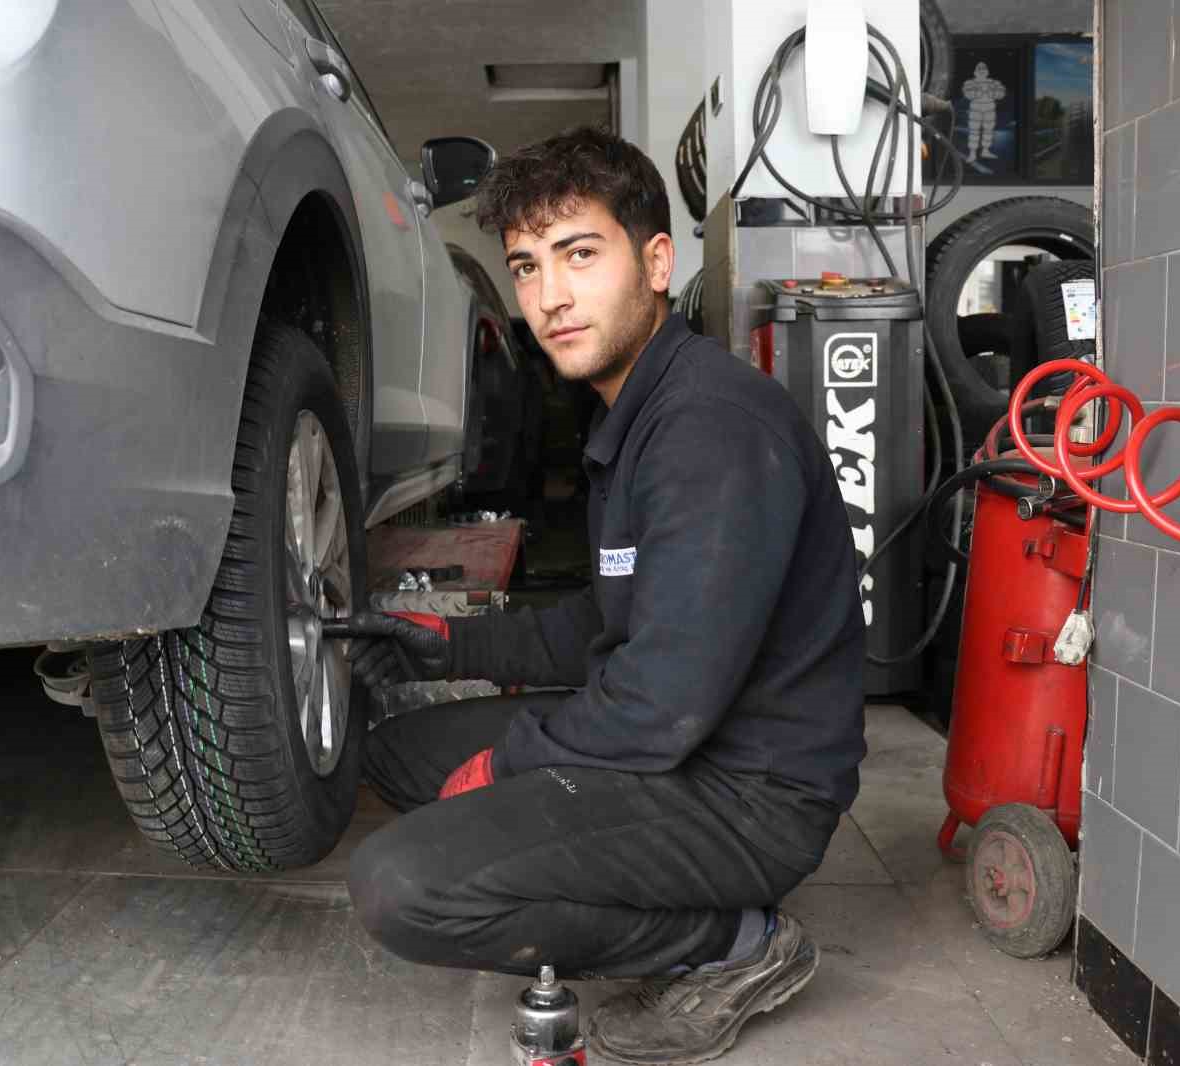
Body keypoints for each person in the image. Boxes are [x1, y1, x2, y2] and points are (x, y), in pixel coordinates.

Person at [341, 126, 867, 1065]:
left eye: (581, 254)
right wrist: (451, 648)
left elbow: (661, 705)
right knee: (403, 755)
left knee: (400, 885)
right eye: (527, 266)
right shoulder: (635, 417)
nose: (549, 297)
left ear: (655, 261)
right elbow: (605, 617)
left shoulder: (708, 429)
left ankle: (731, 944)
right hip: (687, 748)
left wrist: (509, 766)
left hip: (749, 795)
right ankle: (648, 885)